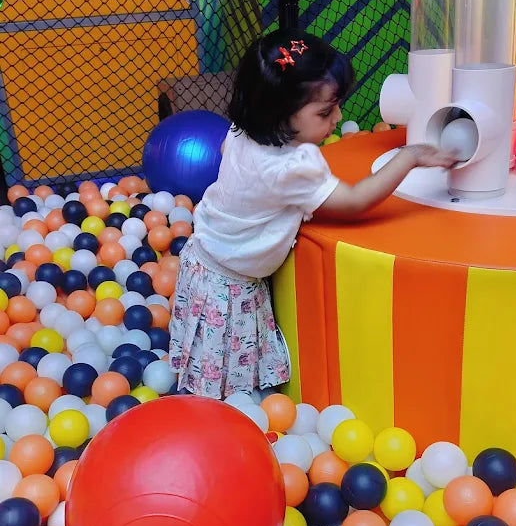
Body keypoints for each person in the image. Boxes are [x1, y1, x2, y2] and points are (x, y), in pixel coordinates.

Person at [169, 28, 457, 398]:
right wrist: (411, 156)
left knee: (209, 373)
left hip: (201, 259)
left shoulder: (243, 129)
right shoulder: (293, 165)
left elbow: (231, 159)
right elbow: (354, 202)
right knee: (229, 395)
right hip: (230, 287)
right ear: (279, 115)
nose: (338, 117)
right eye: (325, 111)